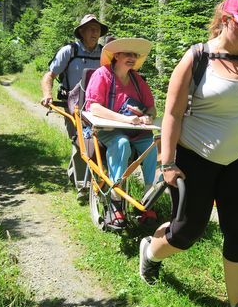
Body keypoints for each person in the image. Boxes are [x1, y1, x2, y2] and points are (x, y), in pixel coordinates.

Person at [139, 0, 238, 307]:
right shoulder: (197, 57)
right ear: (226, 20)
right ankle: (150, 253)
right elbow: (172, 113)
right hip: (194, 158)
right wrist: (167, 162)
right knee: (187, 231)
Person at [84, 37, 158, 229]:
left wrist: (148, 117)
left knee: (151, 145)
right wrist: (125, 120)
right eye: (127, 54)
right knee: (122, 144)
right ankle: (115, 203)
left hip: (135, 129)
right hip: (107, 129)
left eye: (134, 55)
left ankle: (148, 199)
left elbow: (151, 108)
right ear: (116, 55)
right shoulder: (102, 75)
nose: (132, 58)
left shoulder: (137, 79)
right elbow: (95, 108)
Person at [40, 14, 109, 195]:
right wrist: (47, 95)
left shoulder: (104, 54)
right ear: (81, 32)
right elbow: (49, 75)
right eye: (91, 29)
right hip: (73, 105)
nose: (95, 32)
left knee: (96, 142)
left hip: (98, 107)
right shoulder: (69, 51)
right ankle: (83, 187)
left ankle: (83, 176)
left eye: (98, 29)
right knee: (80, 142)